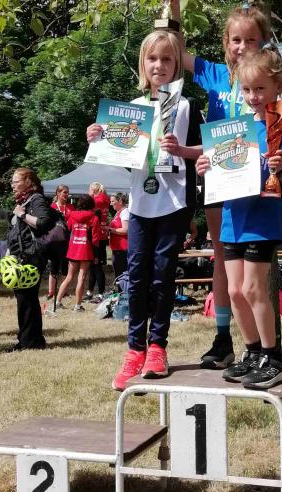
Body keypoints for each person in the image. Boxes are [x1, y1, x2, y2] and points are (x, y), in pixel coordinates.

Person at [162, 0, 282, 369]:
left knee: (252, 277)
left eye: (250, 39)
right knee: (223, 258)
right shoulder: (216, 75)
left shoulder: (272, 86)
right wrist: (174, 9)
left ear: (264, 42)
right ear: (226, 43)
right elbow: (176, 51)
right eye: (235, 40)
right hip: (223, 180)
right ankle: (226, 338)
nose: (242, 46)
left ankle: (264, 350)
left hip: (262, 191)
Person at [86, 30, 200, 390]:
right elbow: (125, 159)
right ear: (143, 64)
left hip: (174, 203)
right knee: (135, 278)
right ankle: (134, 349)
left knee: (162, 276)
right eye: (152, 58)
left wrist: (181, 150)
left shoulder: (187, 106)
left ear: (177, 64)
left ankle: (157, 347)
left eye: (167, 59)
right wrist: (99, 138)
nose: (159, 65)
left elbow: (205, 149)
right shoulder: (131, 110)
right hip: (139, 205)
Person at [196, 47, 282, 389]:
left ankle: (273, 358)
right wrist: (204, 166)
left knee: (252, 287)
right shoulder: (232, 130)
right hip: (233, 218)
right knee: (234, 290)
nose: (253, 96)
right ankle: (252, 352)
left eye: (260, 88)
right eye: (246, 90)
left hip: (263, 219)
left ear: (278, 87)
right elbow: (216, 166)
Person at [6, 168, 56, 350]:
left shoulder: (36, 199)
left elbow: (44, 222)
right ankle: (32, 339)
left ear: (28, 182)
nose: (13, 185)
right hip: (22, 255)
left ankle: (28, 342)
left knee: (26, 299)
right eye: (12, 182)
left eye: (16, 181)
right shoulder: (24, 200)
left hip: (31, 256)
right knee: (26, 299)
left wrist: (22, 214)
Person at [56, 194, 99, 311]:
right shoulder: (94, 218)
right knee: (82, 277)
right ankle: (78, 306)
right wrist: (96, 254)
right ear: (91, 204)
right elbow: (95, 239)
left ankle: (57, 302)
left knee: (69, 276)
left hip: (73, 248)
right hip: (86, 250)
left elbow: (68, 229)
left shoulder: (72, 215)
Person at [46, 184, 72, 303]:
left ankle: (63, 291)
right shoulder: (52, 207)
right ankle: (51, 292)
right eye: (64, 192)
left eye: (67, 192)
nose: (67, 194)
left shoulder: (71, 207)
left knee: (65, 265)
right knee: (54, 265)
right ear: (58, 193)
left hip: (67, 239)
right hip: (55, 240)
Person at [86, 182, 110, 302]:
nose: (88, 191)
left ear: (94, 190)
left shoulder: (96, 201)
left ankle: (101, 293)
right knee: (93, 265)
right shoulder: (105, 199)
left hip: (96, 236)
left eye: (89, 189)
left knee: (96, 266)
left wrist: (90, 197)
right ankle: (90, 291)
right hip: (101, 235)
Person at [109, 193, 130, 281]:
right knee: (119, 274)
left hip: (122, 249)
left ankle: (122, 289)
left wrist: (110, 229)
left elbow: (125, 230)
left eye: (112, 201)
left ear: (120, 201)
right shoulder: (118, 212)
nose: (110, 204)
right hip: (117, 249)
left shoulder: (125, 212)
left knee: (121, 274)